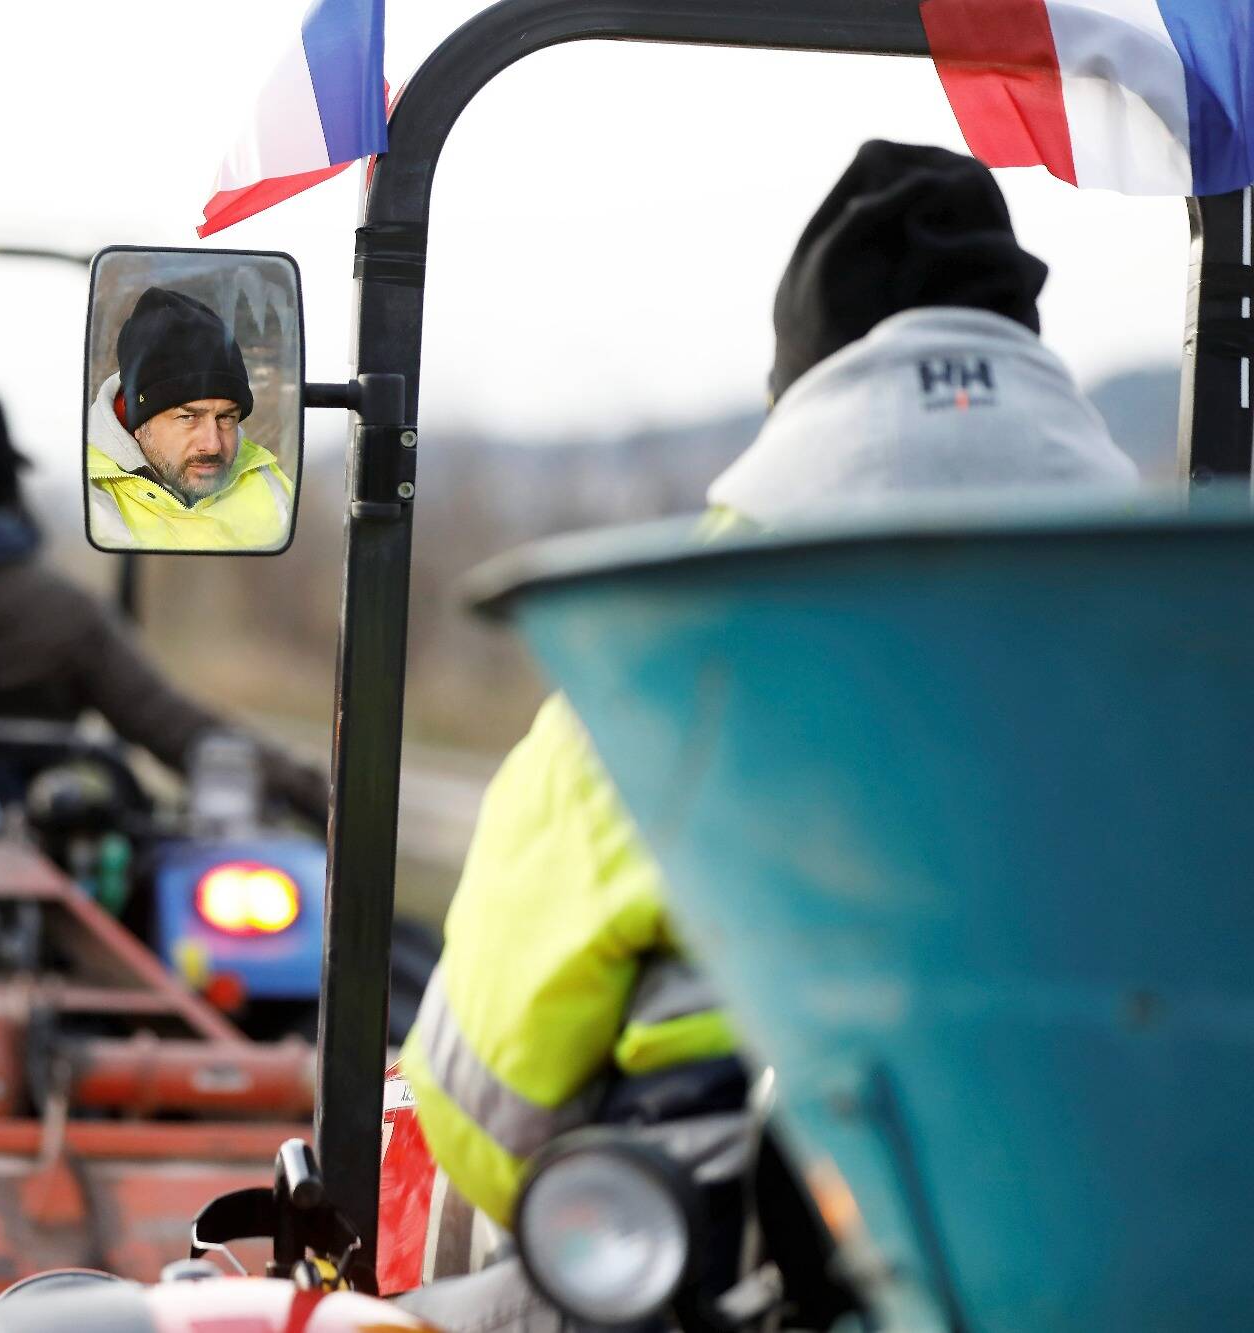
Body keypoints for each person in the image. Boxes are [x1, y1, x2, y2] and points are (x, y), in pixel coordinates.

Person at [391, 141, 1140, 1328]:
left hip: (739, 1243)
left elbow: (487, 1110)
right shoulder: (1181, 637)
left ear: (799, 392)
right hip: (1131, 1231)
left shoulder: (654, 665)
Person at [0, 378, 327, 819]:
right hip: (41, 867)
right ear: (7, 482)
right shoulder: (65, 612)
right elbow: (174, 728)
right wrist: (315, 793)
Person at [86, 287, 294, 551]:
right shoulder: (88, 498)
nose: (213, 445)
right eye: (188, 417)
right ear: (138, 421)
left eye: (226, 417)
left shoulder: (273, 488)